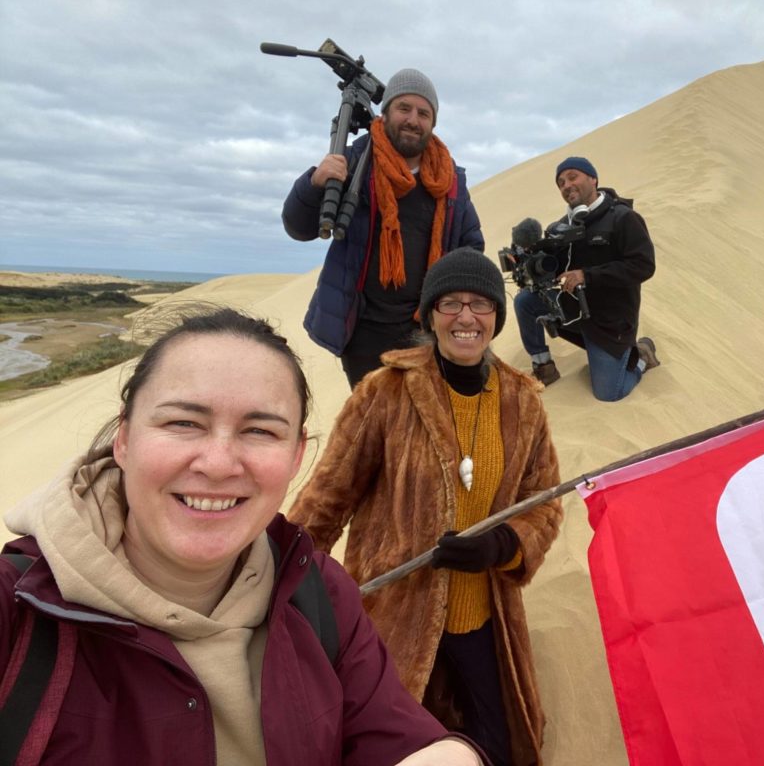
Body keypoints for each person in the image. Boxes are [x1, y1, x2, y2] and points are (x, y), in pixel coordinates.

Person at [0, 307, 488, 766]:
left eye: (260, 431)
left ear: (297, 457)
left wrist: (452, 753)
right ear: (124, 440)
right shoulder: (17, 609)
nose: (217, 464)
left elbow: (391, 734)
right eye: (183, 422)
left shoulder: (316, 592)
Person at [289, 249, 563, 766]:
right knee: (392, 746)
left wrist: (505, 544)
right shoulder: (385, 392)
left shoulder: (524, 400)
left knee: (500, 744)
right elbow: (327, 497)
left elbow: (543, 504)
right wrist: (285, 578)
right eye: (451, 303)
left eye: (481, 304)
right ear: (429, 314)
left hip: (484, 612)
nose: (466, 317)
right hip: (394, 612)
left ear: (496, 319)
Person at [282, 67, 485, 389]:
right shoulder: (355, 162)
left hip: (425, 327)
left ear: (432, 123)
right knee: (376, 421)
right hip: (363, 329)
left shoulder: (449, 181)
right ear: (386, 112)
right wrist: (314, 183)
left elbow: (471, 245)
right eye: (404, 108)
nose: (413, 120)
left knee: (425, 420)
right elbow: (298, 227)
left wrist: (450, 301)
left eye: (424, 113)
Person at [513, 156, 660, 401]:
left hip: (609, 323)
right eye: (560, 183)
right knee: (525, 301)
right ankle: (544, 368)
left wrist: (587, 276)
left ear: (593, 179)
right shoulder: (560, 228)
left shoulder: (622, 218)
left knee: (609, 393)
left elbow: (643, 265)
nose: (566, 185)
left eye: (573, 177)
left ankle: (641, 356)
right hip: (574, 310)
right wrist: (532, 260)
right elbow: (555, 269)